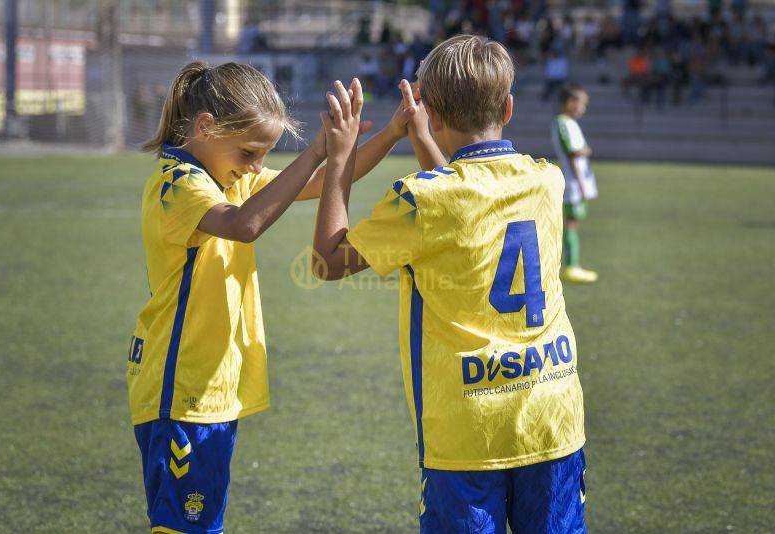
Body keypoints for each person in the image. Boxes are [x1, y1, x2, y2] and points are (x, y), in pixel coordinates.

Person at [127, 61, 422, 534]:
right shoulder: (177, 184)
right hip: (179, 388)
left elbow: (317, 184)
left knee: (197, 523)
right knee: (185, 525)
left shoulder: (230, 177)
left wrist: (390, 133)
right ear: (205, 127)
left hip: (211, 386)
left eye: (263, 155)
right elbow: (244, 225)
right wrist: (317, 150)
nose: (256, 166)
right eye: (249, 152)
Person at [312, 35, 587, 533]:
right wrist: (423, 137)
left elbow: (327, 261)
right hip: (551, 413)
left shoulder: (420, 200)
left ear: (433, 115)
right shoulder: (546, 179)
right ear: (508, 107)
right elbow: (465, 201)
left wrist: (339, 158)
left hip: (467, 429)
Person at [552, 83, 599, 283]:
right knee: (571, 223)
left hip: (580, 179)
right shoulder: (562, 122)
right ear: (571, 102)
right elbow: (572, 152)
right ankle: (571, 266)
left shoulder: (570, 122)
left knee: (574, 222)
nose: (583, 108)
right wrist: (580, 183)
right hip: (574, 181)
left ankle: (573, 265)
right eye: (582, 104)